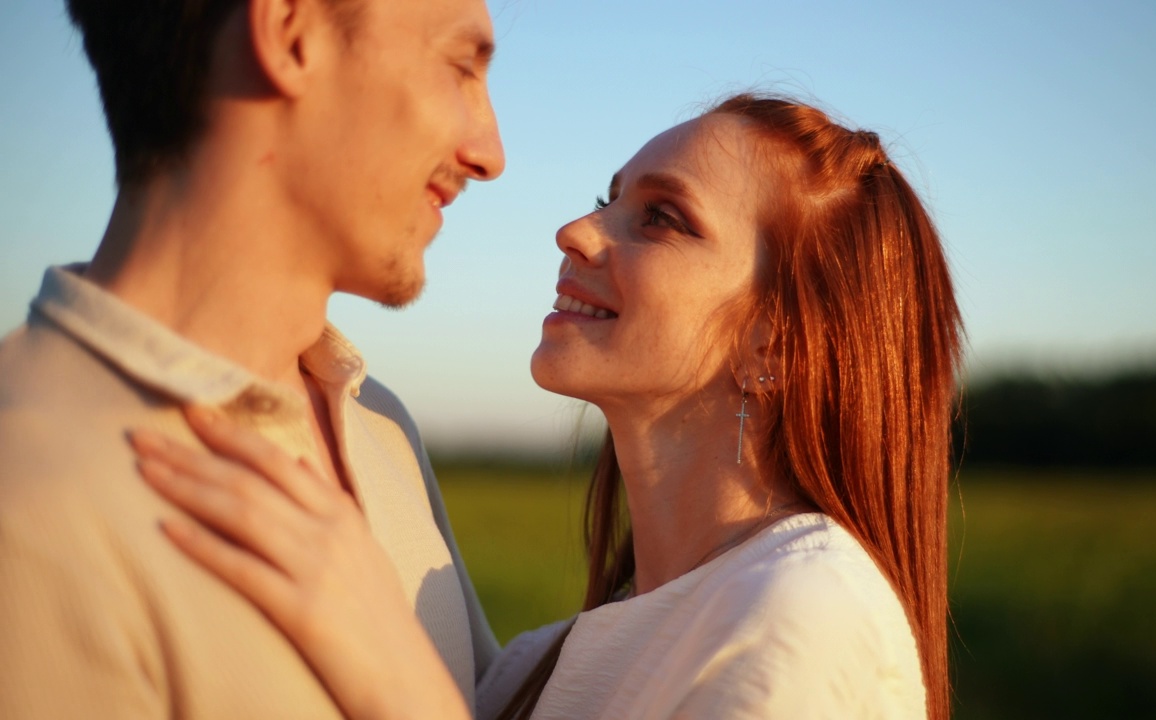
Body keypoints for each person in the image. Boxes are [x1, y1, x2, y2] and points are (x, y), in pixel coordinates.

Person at [130, 93, 963, 719]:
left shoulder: (802, 614)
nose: (577, 228)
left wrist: (388, 667)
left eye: (661, 218)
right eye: (608, 197)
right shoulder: (555, 657)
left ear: (773, 344)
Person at [0, 0, 504, 717]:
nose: (490, 153)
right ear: (290, 34)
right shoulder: (27, 503)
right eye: (461, 66)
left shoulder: (380, 425)